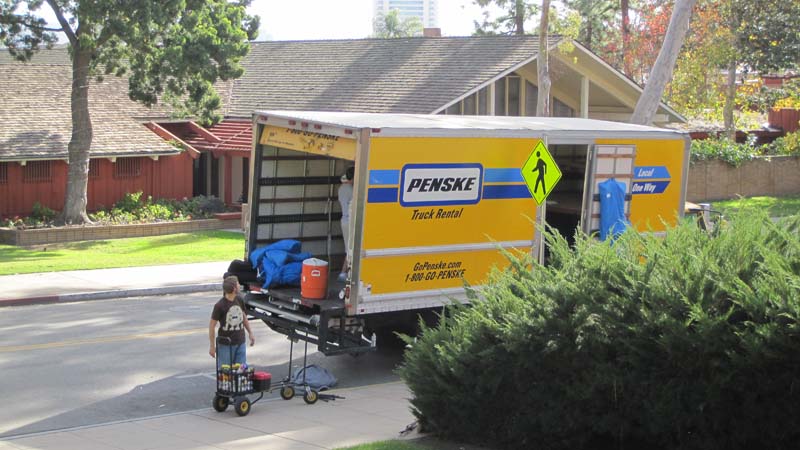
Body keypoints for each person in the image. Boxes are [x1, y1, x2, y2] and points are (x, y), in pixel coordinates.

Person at [209, 276, 255, 367]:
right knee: (225, 373)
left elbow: (243, 317)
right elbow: (211, 326)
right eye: (238, 284)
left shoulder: (239, 299)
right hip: (226, 345)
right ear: (234, 288)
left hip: (240, 342)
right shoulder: (219, 306)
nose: (239, 285)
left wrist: (250, 332)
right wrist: (212, 346)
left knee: (241, 372)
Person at [338, 166, 355, 282]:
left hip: (344, 220)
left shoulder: (342, 188)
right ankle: (344, 273)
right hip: (350, 221)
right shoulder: (352, 190)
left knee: (349, 248)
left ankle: (345, 272)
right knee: (351, 249)